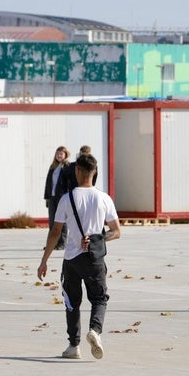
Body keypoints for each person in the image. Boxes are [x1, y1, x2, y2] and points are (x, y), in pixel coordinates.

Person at [37, 153, 121, 360]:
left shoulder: (67, 198)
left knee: (71, 302)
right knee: (99, 299)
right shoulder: (104, 198)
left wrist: (44, 260)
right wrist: (97, 238)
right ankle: (95, 331)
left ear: (77, 171)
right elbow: (116, 231)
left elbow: (55, 232)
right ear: (94, 172)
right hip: (94, 259)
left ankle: (73, 346)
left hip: (72, 260)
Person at [43, 146, 71, 250]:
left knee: (62, 222)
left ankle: (61, 243)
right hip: (52, 198)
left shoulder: (67, 166)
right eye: (58, 153)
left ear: (65, 155)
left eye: (61, 154)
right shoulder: (53, 166)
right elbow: (48, 183)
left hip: (62, 198)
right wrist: (47, 197)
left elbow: (69, 183)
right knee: (52, 222)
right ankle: (52, 243)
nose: (59, 155)